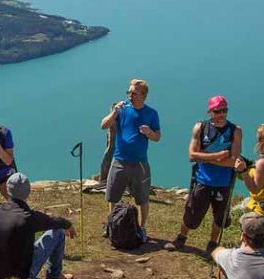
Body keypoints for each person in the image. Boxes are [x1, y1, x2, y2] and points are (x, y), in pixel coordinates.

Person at [165, 96, 242, 254]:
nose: (221, 114)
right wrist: (219, 155)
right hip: (202, 180)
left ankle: (212, 243)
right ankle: (181, 238)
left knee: (220, 217)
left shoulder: (235, 131)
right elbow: (191, 156)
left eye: (224, 110)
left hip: (224, 182)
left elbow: (233, 161)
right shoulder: (200, 127)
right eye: (217, 111)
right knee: (192, 213)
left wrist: (205, 157)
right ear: (210, 112)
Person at [0, 172, 77, 279]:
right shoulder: (29, 217)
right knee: (58, 232)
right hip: (19, 276)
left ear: (8, 190)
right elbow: (56, 222)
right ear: (28, 191)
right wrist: (68, 225)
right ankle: (54, 277)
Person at [100, 79, 161, 241]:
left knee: (142, 198)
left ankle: (142, 228)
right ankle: (112, 224)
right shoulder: (122, 110)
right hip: (119, 160)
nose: (130, 95)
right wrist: (115, 112)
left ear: (144, 95)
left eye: (134, 93)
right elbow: (103, 125)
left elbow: (157, 137)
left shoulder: (151, 114)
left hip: (140, 163)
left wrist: (149, 132)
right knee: (112, 196)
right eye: (129, 92)